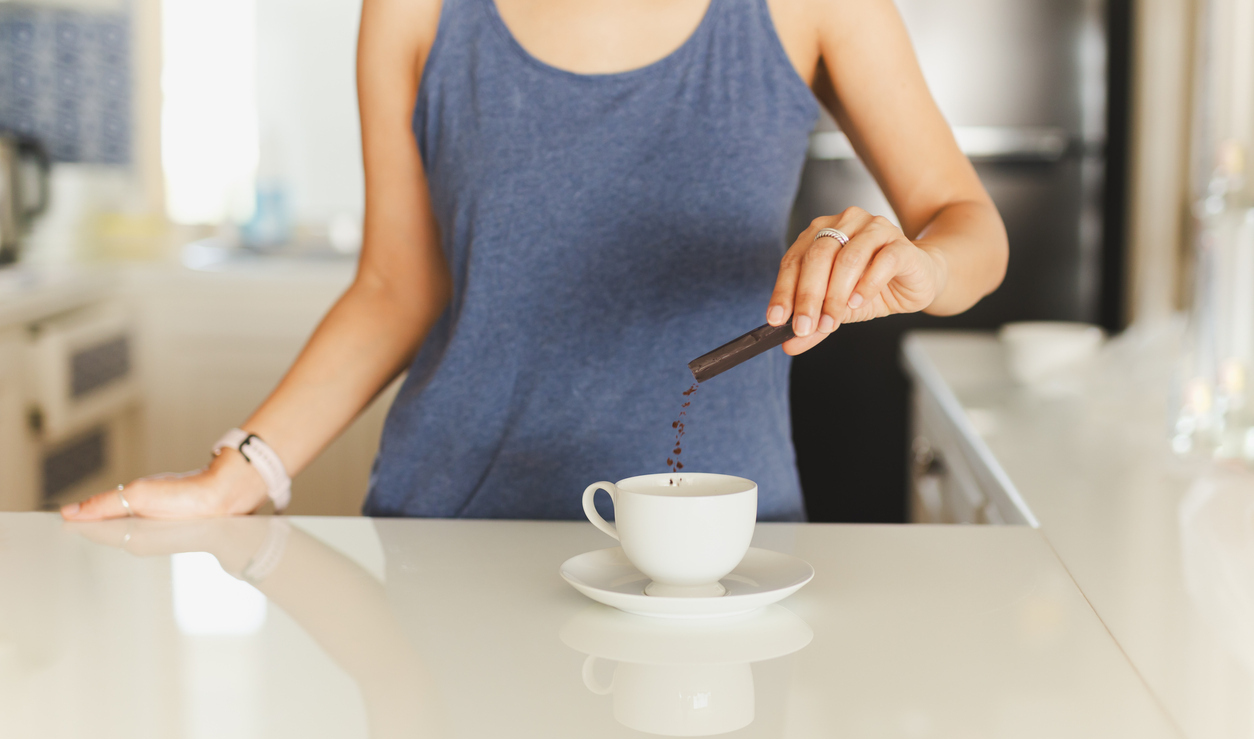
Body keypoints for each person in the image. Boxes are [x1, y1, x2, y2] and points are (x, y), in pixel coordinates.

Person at [63, 0, 1007, 523]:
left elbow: (967, 224)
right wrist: (241, 473)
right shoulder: (414, 11)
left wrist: (925, 269)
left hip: (717, 541)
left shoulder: (806, 7)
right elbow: (399, 285)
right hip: (454, 528)